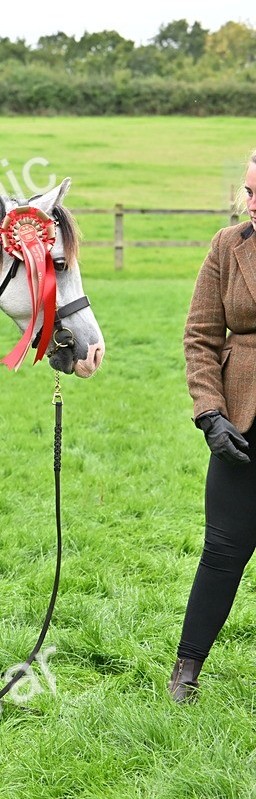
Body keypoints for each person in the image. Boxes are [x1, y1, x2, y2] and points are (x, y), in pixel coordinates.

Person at [171, 150, 256, 703]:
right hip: (241, 425)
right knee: (223, 549)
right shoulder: (227, 247)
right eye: (249, 191)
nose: (251, 204)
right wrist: (210, 413)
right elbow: (201, 336)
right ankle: (186, 671)